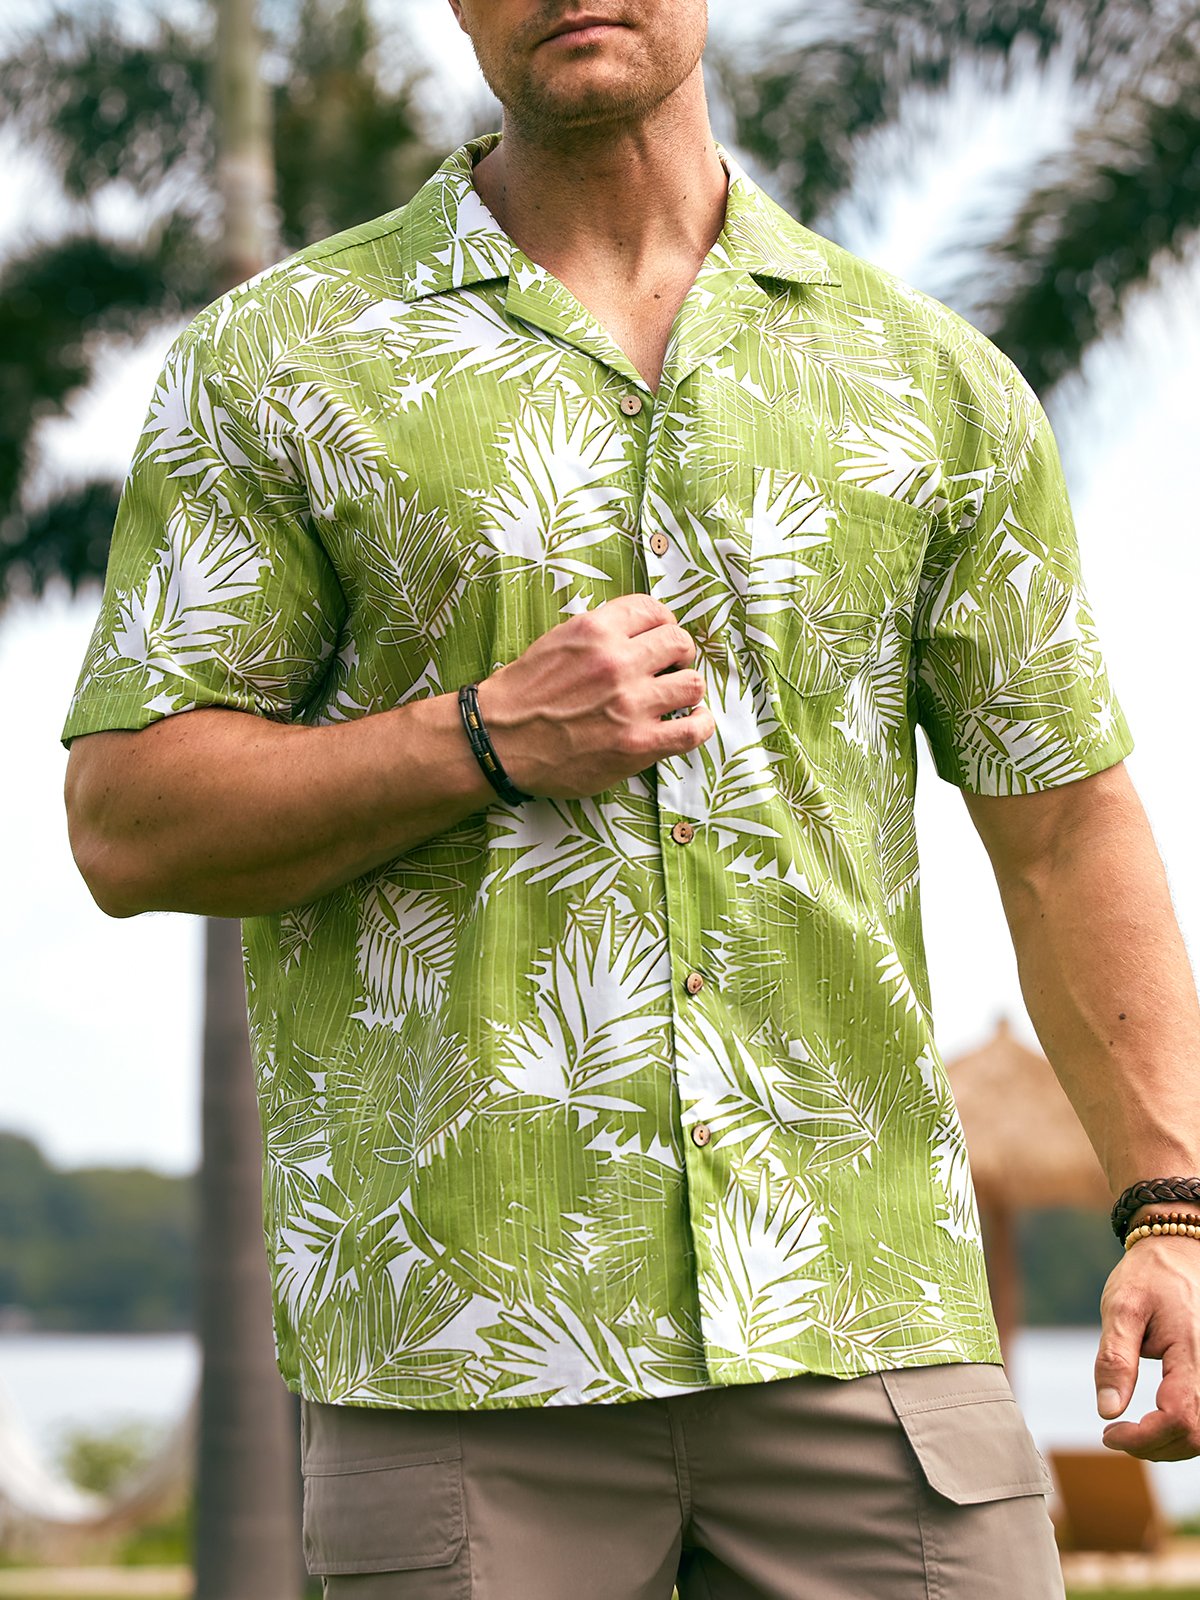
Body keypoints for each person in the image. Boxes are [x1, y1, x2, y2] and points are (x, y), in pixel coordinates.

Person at [62, 1, 1200, 1594]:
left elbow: (1066, 826)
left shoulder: (929, 381)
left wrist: (1174, 1214)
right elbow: (125, 822)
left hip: (863, 1313)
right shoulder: (282, 362)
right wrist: (481, 735)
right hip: (463, 1346)